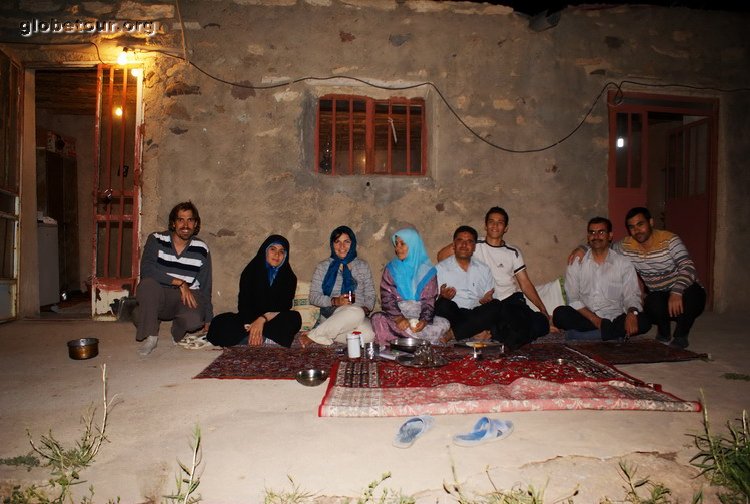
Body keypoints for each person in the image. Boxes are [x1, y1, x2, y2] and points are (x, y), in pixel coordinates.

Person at [569, 207, 706, 349]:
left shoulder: (670, 240)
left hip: (683, 289)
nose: (637, 230)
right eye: (632, 227)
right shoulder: (627, 246)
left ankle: (681, 336)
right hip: (658, 294)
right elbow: (601, 244)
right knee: (651, 303)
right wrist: (582, 248)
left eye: (640, 224)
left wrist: (677, 292)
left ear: (651, 222)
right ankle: (664, 334)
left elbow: (688, 267)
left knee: (694, 295)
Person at [438, 207, 553, 347]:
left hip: (509, 301)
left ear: (506, 228)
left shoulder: (513, 252)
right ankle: (494, 335)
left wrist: (542, 309)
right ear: (485, 226)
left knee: (540, 323)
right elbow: (442, 256)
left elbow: (525, 283)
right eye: (491, 221)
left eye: (500, 222)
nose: (495, 225)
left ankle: (491, 334)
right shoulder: (473, 243)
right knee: (510, 324)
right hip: (486, 305)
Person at [553, 217, 651, 341]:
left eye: (601, 232)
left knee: (643, 320)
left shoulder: (623, 263)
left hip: (616, 316)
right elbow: (572, 298)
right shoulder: (577, 262)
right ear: (588, 237)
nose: (596, 236)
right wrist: (596, 320)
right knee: (560, 314)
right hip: (587, 316)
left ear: (610, 236)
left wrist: (632, 313)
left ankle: (588, 336)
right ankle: (613, 333)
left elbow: (631, 295)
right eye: (592, 232)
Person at [135, 201, 213, 356]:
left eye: (190, 220)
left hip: (185, 297)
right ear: (173, 222)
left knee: (194, 320)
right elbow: (147, 270)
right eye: (180, 219)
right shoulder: (156, 239)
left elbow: (205, 285)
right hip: (158, 294)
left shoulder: (201, 248)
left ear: (195, 223)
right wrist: (179, 282)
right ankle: (151, 336)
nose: (185, 225)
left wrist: (208, 318)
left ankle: (176, 332)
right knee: (147, 285)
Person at [206, 235, 301, 348]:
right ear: (265, 251)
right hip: (249, 319)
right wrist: (251, 324)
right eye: (273, 249)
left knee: (294, 318)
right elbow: (244, 306)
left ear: (285, 255)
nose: (277, 254)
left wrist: (262, 320)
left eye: (282, 251)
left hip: (272, 320)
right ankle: (265, 338)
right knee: (220, 321)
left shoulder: (289, 277)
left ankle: (251, 338)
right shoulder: (250, 272)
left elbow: (283, 308)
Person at [371, 228, 450, 346]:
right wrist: (398, 318)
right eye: (396, 244)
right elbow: (386, 297)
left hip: (419, 315)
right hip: (398, 314)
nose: (398, 248)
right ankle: (420, 341)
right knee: (377, 318)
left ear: (413, 245)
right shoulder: (391, 268)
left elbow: (429, 301)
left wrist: (423, 321)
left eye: (402, 244)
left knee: (444, 323)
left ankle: (401, 340)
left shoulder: (428, 271)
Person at [301, 226, 376, 346]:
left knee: (369, 335)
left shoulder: (363, 266)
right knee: (356, 313)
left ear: (352, 244)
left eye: (346, 242)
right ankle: (320, 334)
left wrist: (366, 308)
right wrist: (335, 301)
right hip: (333, 313)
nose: (342, 247)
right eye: (337, 242)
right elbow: (313, 297)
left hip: (357, 315)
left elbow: (370, 295)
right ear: (332, 244)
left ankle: (319, 333)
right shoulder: (323, 267)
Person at [435, 225, 504, 342]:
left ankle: (454, 333)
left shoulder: (484, 269)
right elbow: (431, 301)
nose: (464, 245)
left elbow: (490, 298)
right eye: (460, 240)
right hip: (454, 313)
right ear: (454, 244)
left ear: (474, 247)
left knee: (496, 305)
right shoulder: (440, 268)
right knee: (442, 305)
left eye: (469, 241)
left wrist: (486, 300)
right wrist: (442, 297)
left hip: (477, 312)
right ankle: (475, 330)